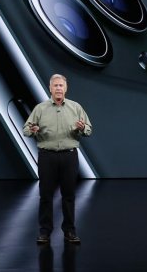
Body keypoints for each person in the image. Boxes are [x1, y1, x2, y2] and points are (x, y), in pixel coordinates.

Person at [23, 74, 92, 245]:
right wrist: (33, 130)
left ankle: (69, 230)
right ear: (50, 89)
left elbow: (89, 130)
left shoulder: (76, 107)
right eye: (55, 86)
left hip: (69, 156)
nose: (59, 88)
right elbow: (26, 129)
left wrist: (83, 128)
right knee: (46, 195)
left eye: (61, 85)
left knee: (68, 195)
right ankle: (45, 231)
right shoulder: (40, 108)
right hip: (47, 157)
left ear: (66, 88)